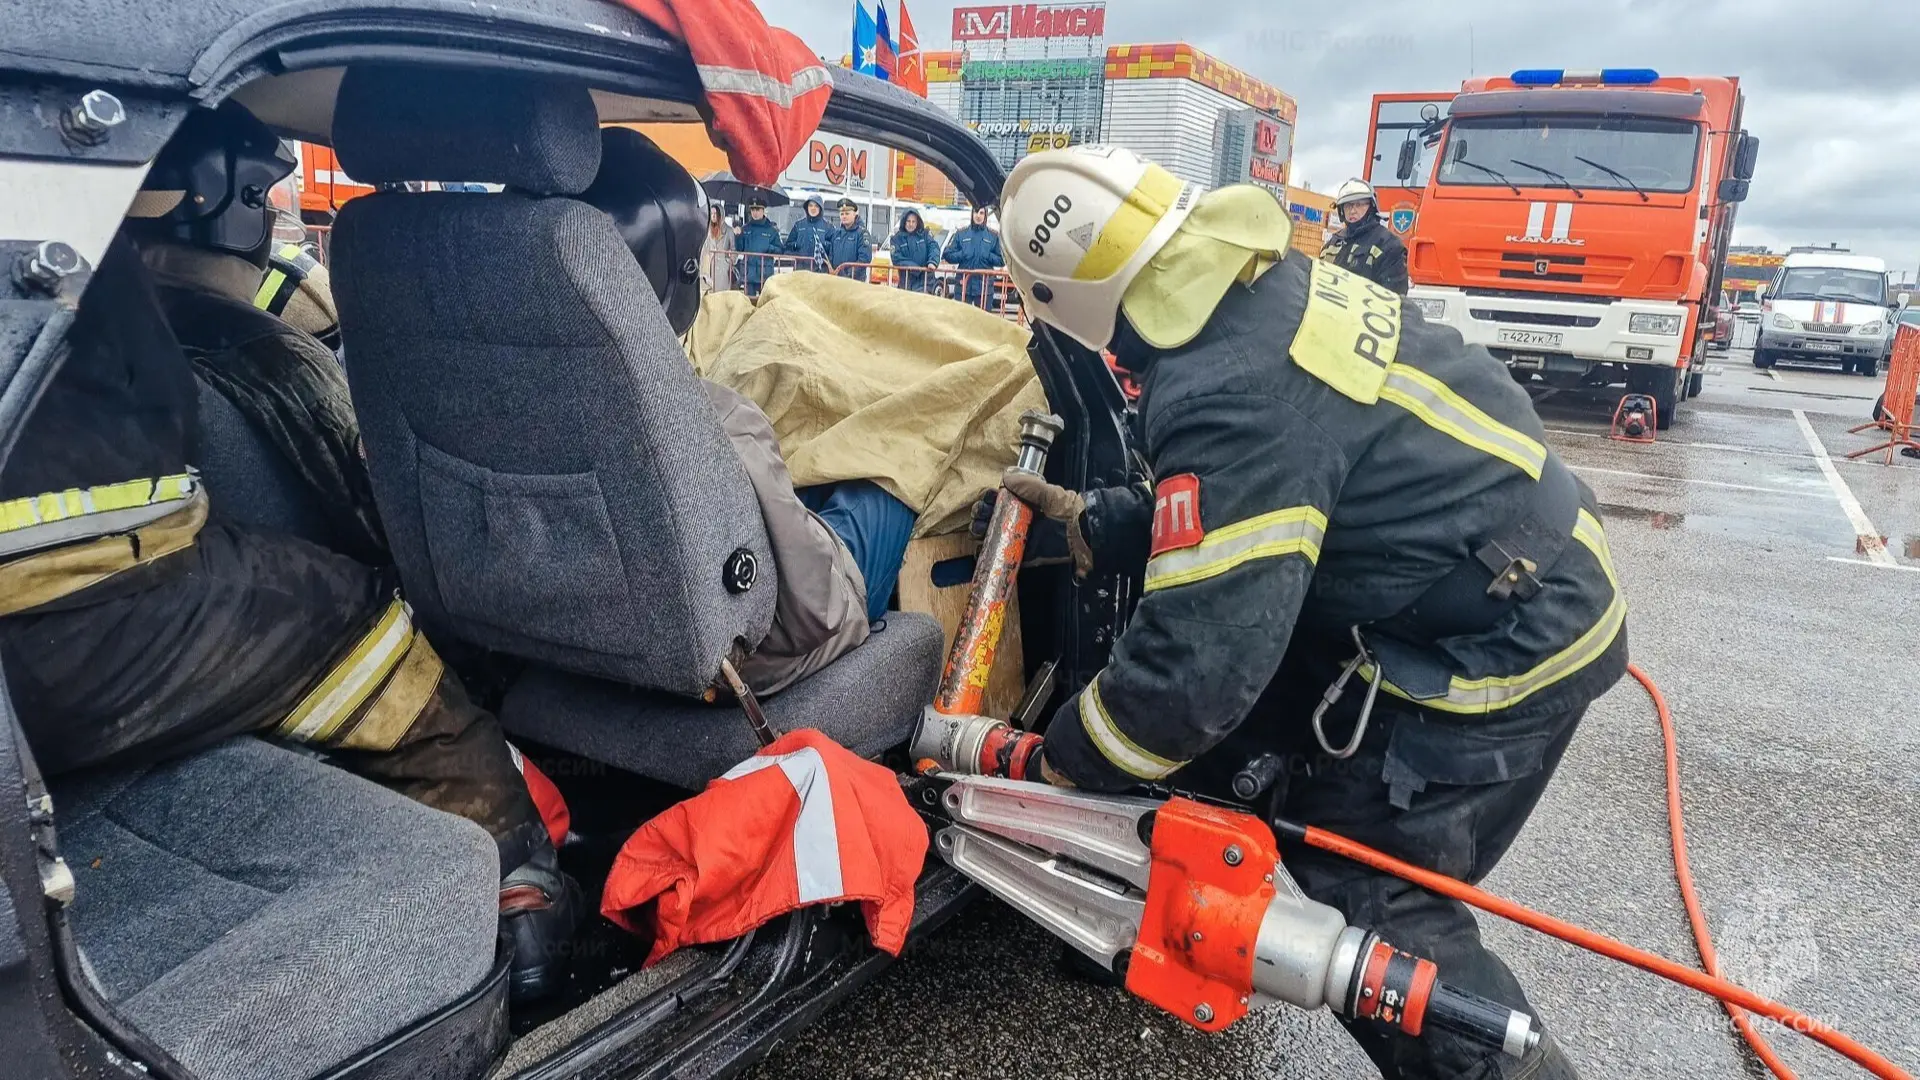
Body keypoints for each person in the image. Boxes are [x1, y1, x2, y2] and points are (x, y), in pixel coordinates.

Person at [993, 145, 1624, 1080]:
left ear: (1072, 306)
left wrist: (1062, 764)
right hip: (1513, 559)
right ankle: (1145, 930)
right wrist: (1109, 523)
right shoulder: (1262, 288)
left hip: (1509, 637)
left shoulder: (1221, 384)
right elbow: (1276, 484)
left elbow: (1193, 675)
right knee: (1230, 752)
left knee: (1366, 882)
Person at [19, 101, 581, 1003]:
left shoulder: (95, 266)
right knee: (363, 629)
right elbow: (360, 512)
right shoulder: (241, 342)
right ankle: (521, 892)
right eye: (265, 196)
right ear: (228, 195)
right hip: (80, 588)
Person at [581, 128, 917, 691]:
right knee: (890, 475)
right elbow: (816, 611)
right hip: (736, 667)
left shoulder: (501, 392)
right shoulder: (708, 423)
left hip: (585, 645)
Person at [1322, 178, 1409, 295]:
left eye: (1358, 205)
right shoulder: (1333, 243)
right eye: (1348, 206)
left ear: (1372, 206)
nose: (1352, 211)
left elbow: (1394, 296)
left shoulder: (1389, 245)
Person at [942, 203, 1004, 309]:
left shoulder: (993, 236)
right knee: (961, 317)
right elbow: (947, 254)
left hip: (984, 287)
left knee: (983, 318)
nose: (978, 216)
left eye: (981, 213)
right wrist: (962, 254)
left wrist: (988, 256)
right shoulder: (961, 233)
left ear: (985, 215)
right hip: (963, 285)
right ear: (972, 214)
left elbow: (1002, 260)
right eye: (976, 212)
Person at [736, 198, 786, 298]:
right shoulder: (745, 229)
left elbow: (780, 250)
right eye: (753, 210)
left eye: (758, 210)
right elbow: (739, 248)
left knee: (765, 302)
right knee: (748, 302)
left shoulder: (772, 230)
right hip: (748, 275)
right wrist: (738, 236)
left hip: (764, 274)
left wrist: (769, 247)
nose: (755, 213)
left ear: (763, 210)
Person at [889, 209, 940, 293]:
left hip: (925, 282)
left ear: (917, 222)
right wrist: (914, 267)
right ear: (904, 222)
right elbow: (896, 258)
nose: (911, 224)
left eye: (913, 221)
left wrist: (933, 261)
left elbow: (934, 247)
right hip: (906, 283)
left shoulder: (925, 235)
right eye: (908, 221)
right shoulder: (896, 239)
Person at [825, 197, 875, 282]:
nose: (844, 216)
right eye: (842, 214)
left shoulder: (862, 234)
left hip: (854, 281)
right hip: (836, 280)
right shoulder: (836, 233)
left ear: (854, 214)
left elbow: (864, 259)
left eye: (847, 214)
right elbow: (831, 255)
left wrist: (848, 274)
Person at [785, 195, 833, 272]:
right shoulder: (799, 225)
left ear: (820, 208)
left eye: (816, 206)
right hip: (801, 269)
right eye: (810, 205)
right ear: (807, 207)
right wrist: (796, 245)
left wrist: (824, 244)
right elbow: (787, 246)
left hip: (820, 271)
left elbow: (834, 248)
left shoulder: (828, 226)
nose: (813, 208)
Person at [700, 202, 735, 292]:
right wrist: (702, 262)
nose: (713, 216)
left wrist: (731, 262)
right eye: (711, 213)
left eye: (716, 213)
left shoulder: (729, 231)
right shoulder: (708, 230)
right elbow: (704, 247)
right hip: (710, 264)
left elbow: (733, 249)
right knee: (711, 291)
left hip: (723, 266)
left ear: (721, 214)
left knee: (722, 292)